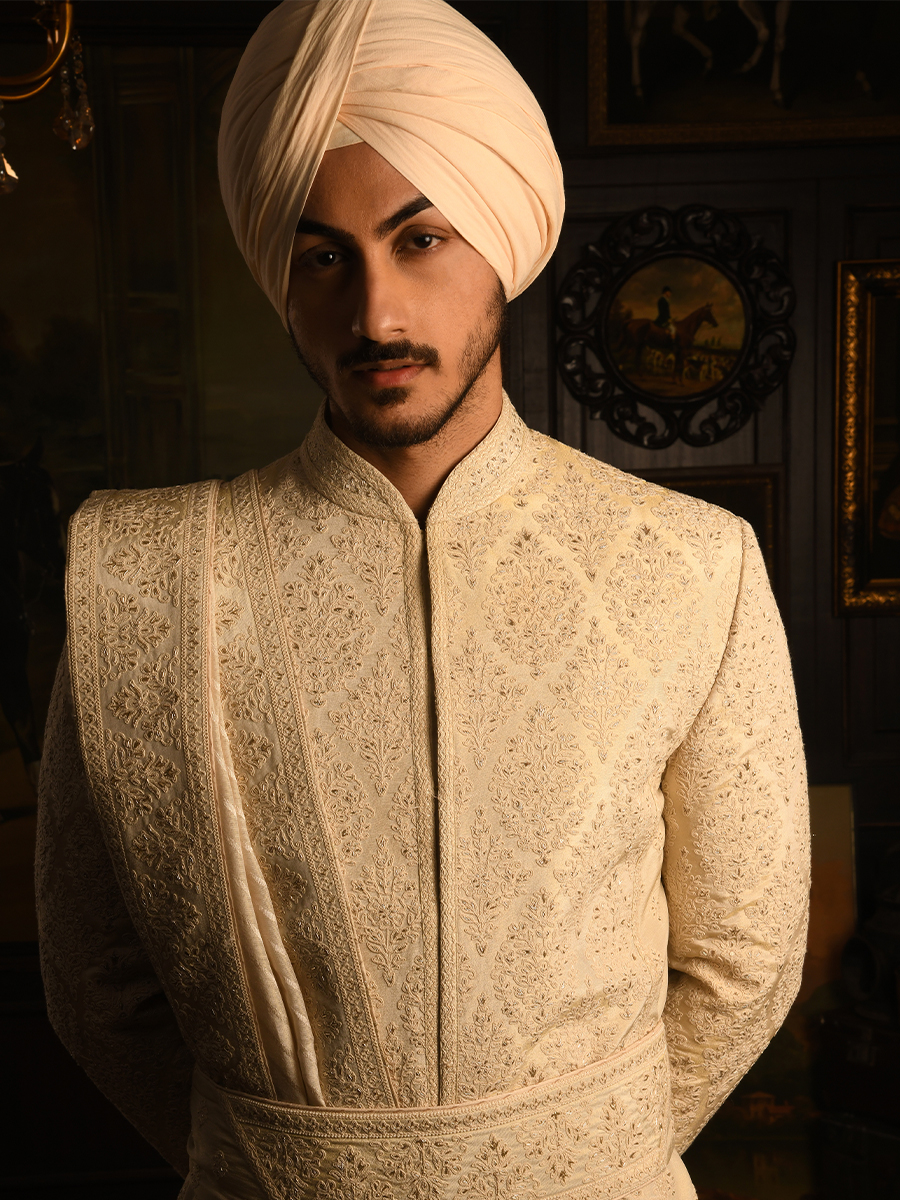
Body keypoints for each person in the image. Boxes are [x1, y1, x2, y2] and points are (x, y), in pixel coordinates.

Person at [35, 2, 810, 1198]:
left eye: (423, 239)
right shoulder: (136, 577)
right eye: (323, 256)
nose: (377, 315)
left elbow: (745, 960)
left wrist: (571, 1154)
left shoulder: (693, 565)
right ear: (279, 275)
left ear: (502, 242)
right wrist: (289, 1162)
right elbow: (97, 988)